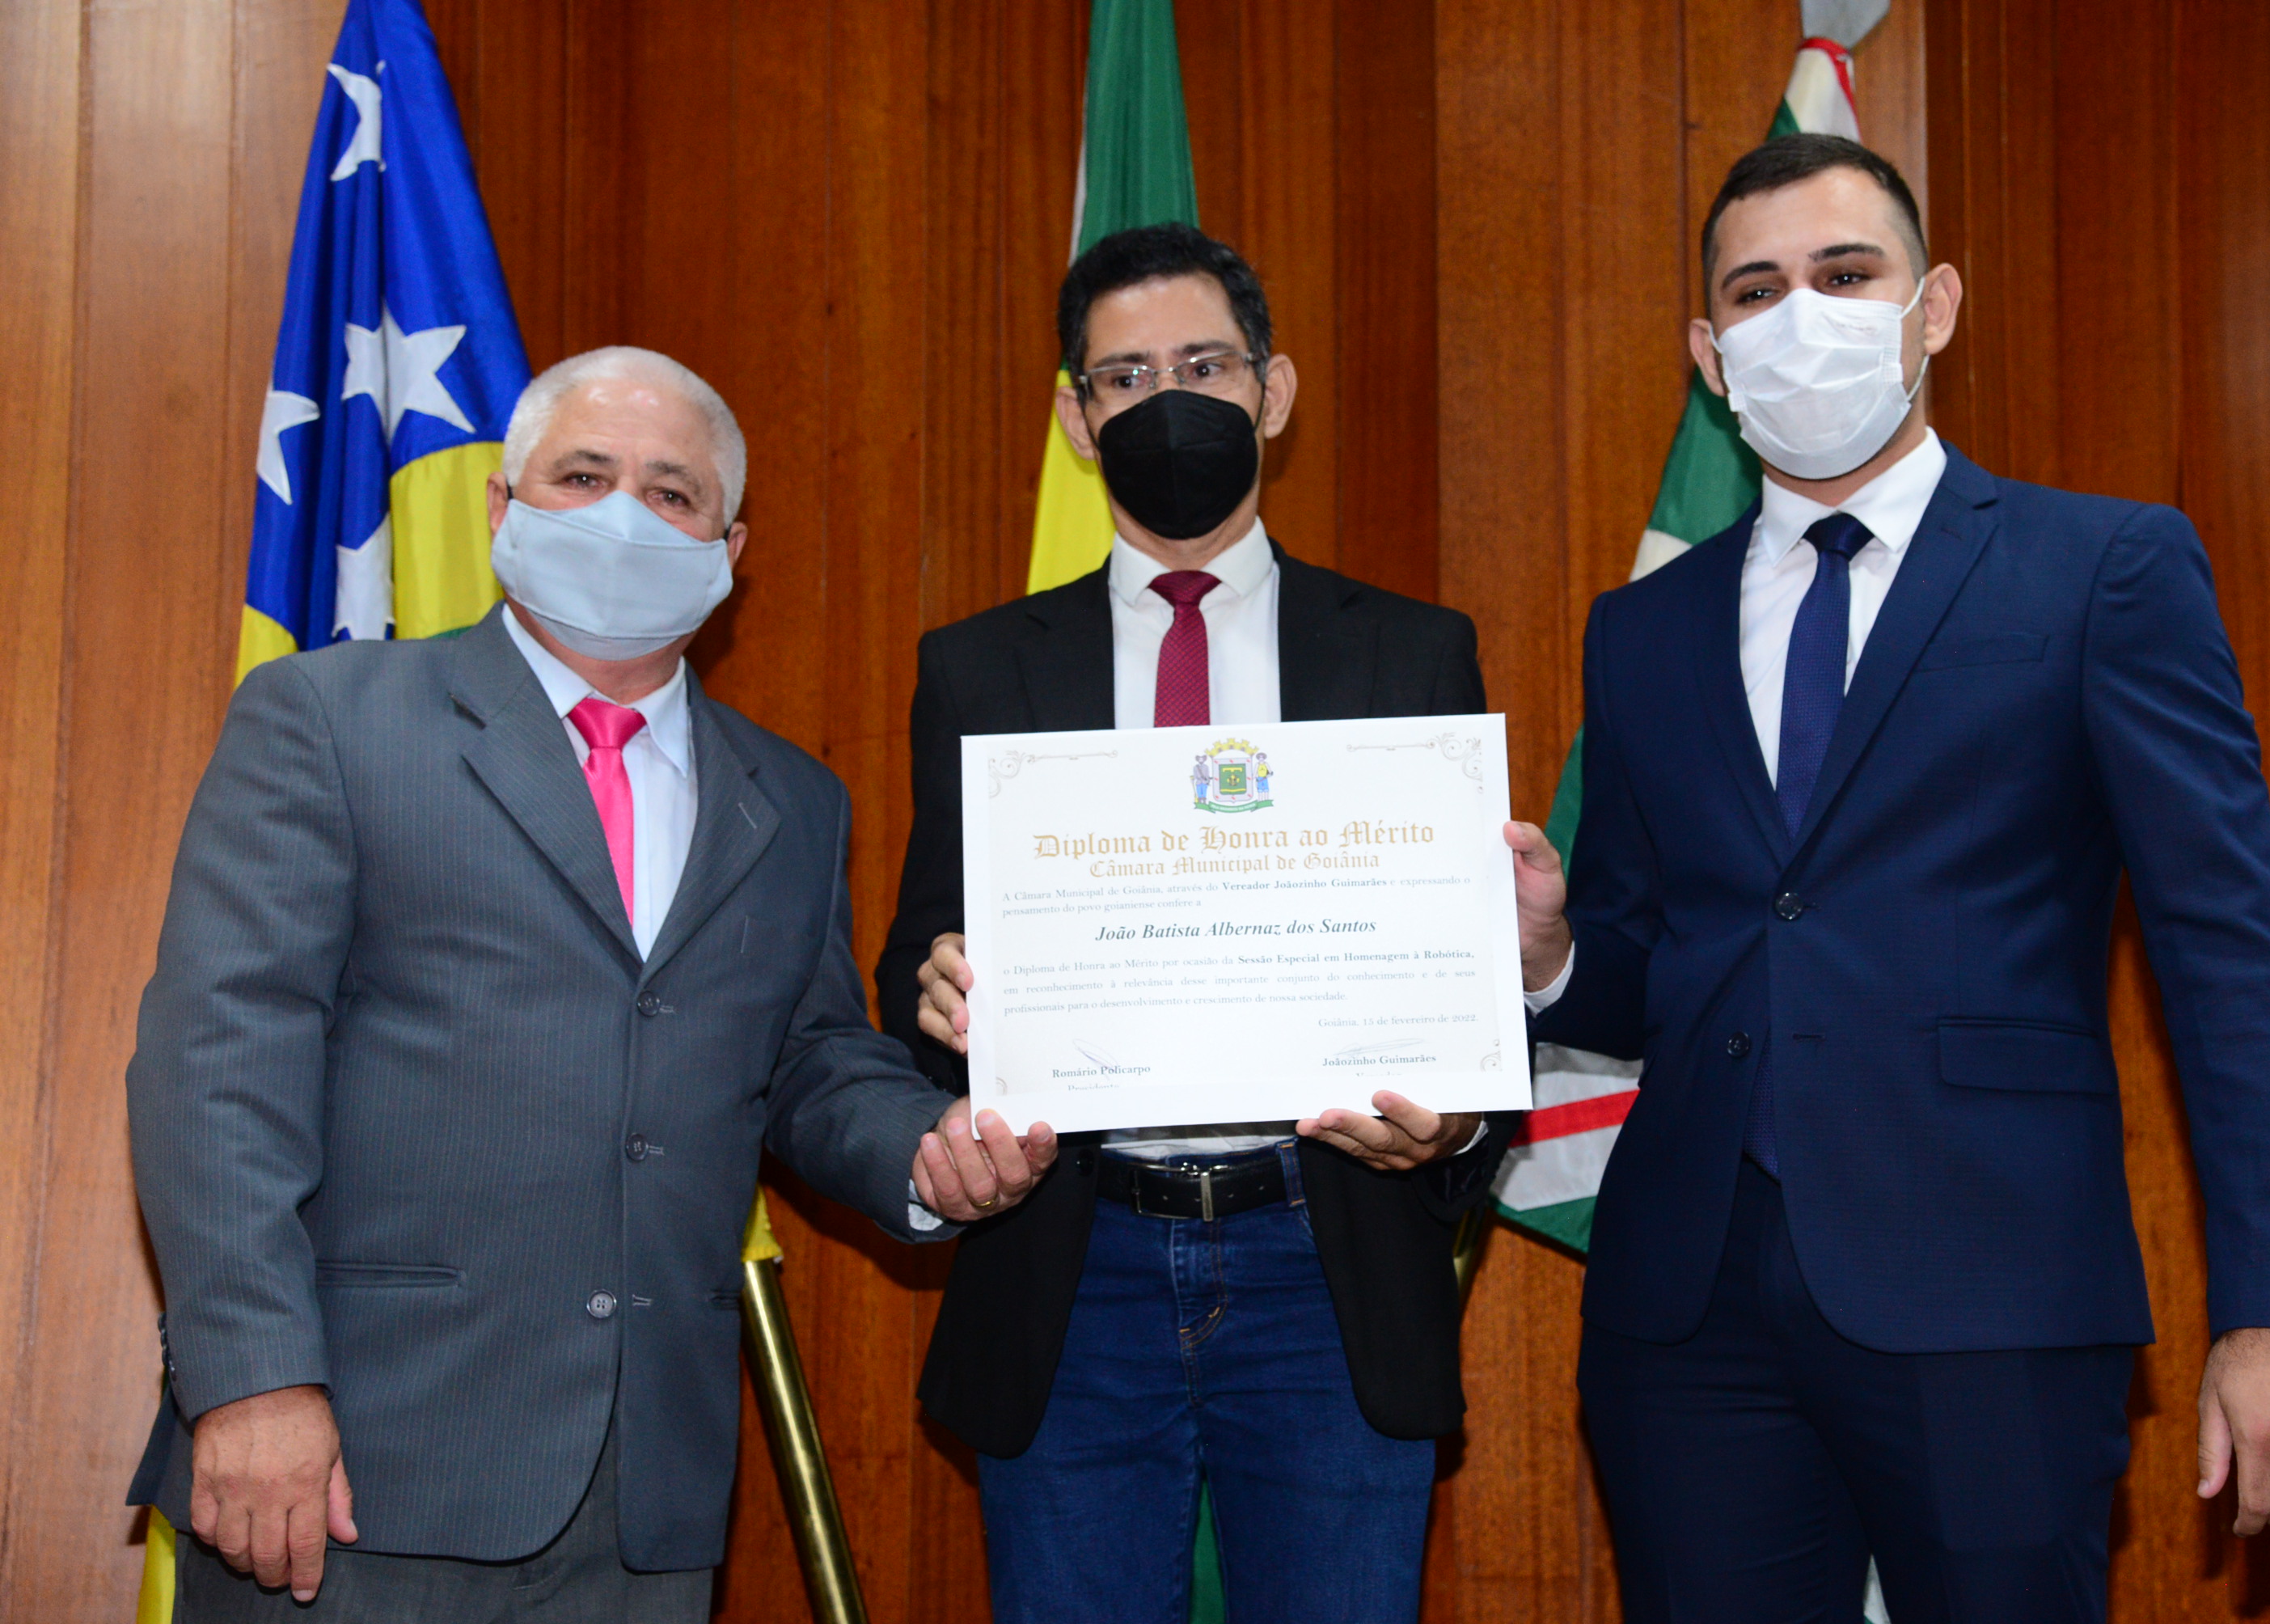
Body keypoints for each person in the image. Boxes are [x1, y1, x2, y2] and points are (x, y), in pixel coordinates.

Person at [1511, 135, 2270, 1622]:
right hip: (1687, 1314)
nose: (1802, 316)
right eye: (1757, 292)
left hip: (1994, 1291)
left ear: (1935, 305)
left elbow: (2230, 958)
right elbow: (1659, 956)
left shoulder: (2104, 568)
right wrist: (1553, 958)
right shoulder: (1641, 627)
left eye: (1846, 275)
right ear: (1710, 354)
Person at [125, 346, 1055, 1621]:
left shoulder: (792, 799)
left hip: (644, 1500)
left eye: (672, 493)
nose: (626, 516)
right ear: (500, 508)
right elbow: (220, 1064)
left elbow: (811, 1063)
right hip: (350, 1470)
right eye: (583, 476)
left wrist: (931, 1153)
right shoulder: (331, 719)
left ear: (730, 548)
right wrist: (251, 1380)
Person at [882, 224, 1516, 1622]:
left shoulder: (1414, 650)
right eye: (1125, 378)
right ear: (1078, 419)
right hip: (1073, 1266)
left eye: (1203, 366)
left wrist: (1457, 1118)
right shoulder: (977, 668)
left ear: (1271, 392)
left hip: (1327, 1260)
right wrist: (937, 993)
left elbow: (1459, 973)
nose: (1166, 402)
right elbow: (914, 964)